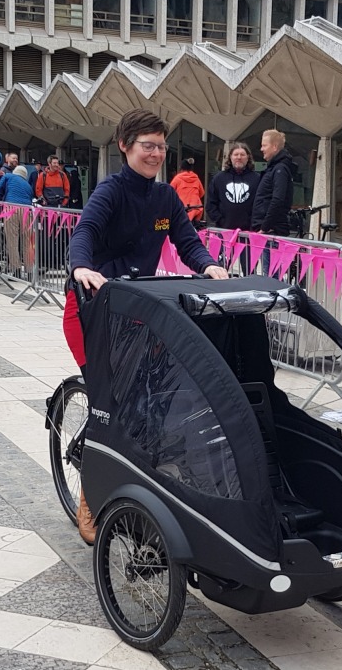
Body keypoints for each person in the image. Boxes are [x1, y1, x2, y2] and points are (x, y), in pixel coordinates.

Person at [67, 109, 227, 544]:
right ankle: (88, 495)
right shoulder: (110, 192)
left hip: (137, 310)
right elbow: (84, 232)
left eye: (161, 146)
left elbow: (186, 240)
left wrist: (209, 266)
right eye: (147, 146)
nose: (156, 154)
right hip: (92, 308)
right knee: (109, 399)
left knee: (150, 398)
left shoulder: (165, 199)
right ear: (125, 146)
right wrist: (82, 267)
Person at [251, 129, 295, 236]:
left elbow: (278, 199)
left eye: (264, 145)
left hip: (271, 232)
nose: (261, 149)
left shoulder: (280, 169)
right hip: (268, 230)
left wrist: (265, 227)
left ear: (274, 147)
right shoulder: (275, 168)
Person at [207, 142, 260, 231]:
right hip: (224, 232)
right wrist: (221, 221)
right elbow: (210, 205)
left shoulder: (257, 179)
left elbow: (260, 204)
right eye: (236, 154)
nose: (239, 157)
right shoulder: (219, 178)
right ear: (230, 157)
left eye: (242, 155)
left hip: (249, 232)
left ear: (248, 157)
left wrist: (253, 223)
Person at [170, 157, 205, 224]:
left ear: (181, 168)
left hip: (182, 210)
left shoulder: (178, 178)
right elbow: (202, 193)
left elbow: (170, 193)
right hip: (196, 210)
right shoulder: (196, 178)